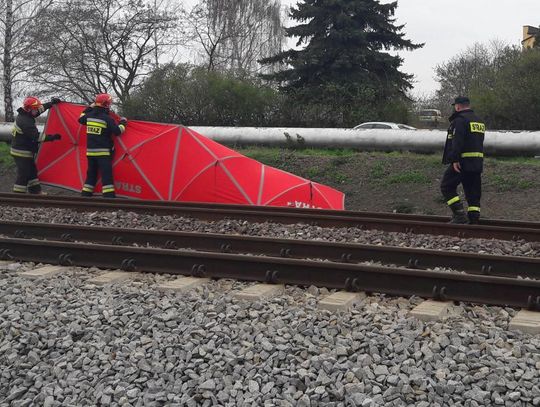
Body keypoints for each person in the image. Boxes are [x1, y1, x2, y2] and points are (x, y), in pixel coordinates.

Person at [440, 96, 485, 224]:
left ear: (458, 106)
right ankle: (474, 220)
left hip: (462, 163)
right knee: (473, 192)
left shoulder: (460, 120)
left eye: (455, 106)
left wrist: (455, 160)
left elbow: (457, 142)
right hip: (476, 163)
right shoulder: (479, 121)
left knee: (446, 186)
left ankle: (459, 215)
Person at [79, 93, 127, 198]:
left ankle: (85, 194)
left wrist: (89, 107)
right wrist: (123, 123)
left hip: (90, 152)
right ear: (106, 105)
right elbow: (117, 131)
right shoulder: (107, 118)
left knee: (91, 174)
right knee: (106, 175)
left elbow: (81, 118)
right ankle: (109, 197)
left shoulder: (89, 116)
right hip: (103, 153)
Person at [11, 96, 62, 194]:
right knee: (24, 173)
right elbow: (37, 137)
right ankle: (18, 195)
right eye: (35, 109)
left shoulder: (28, 114)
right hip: (21, 152)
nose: (37, 110)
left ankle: (35, 192)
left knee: (32, 171)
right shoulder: (25, 121)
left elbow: (39, 109)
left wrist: (51, 103)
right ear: (29, 109)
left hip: (25, 150)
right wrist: (52, 137)